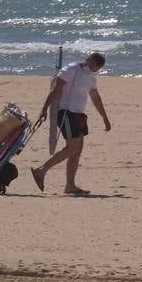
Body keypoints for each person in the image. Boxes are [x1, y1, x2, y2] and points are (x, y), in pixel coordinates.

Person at [32, 52, 111, 196]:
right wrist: (44, 109)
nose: (94, 70)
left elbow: (95, 98)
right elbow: (55, 89)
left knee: (77, 150)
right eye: (93, 66)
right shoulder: (72, 69)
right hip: (66, 113)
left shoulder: (91, 78)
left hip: (79, 115)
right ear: (88, 60)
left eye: (96, 69)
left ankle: (70, 186)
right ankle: (41, 171)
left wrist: (104, 117)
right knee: (72, 148)